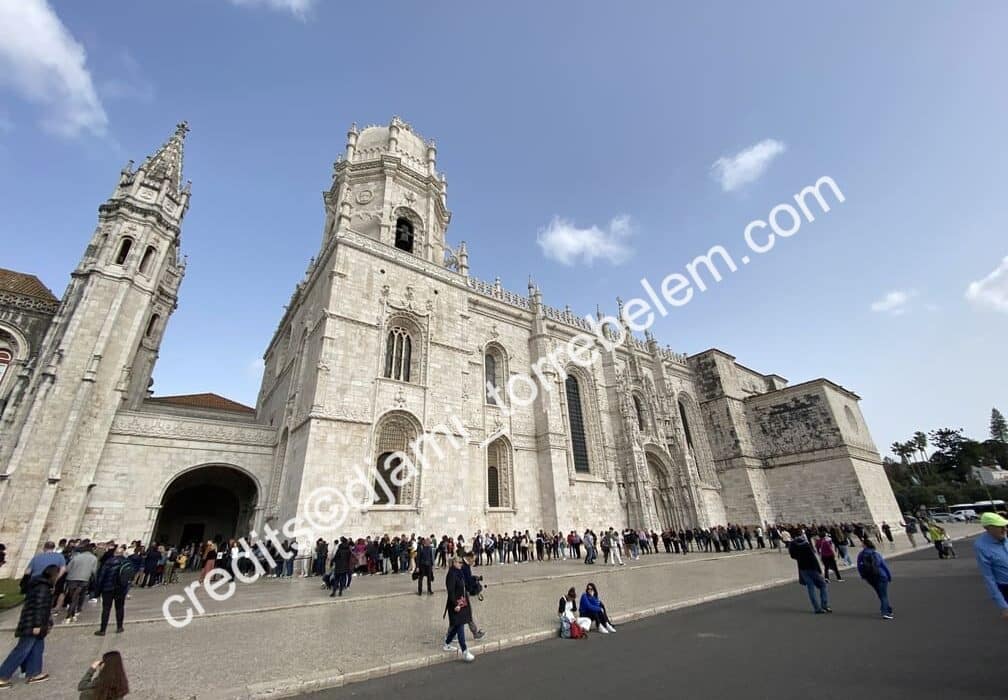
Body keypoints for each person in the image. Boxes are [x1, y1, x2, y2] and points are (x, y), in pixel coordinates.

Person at [0, 564, 59, 688]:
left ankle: (33, 673)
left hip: (35, 623)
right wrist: (37, 625)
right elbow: (39, 607)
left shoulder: (40, 586)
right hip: (32, 624)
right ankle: (3, 676)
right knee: (22, 650)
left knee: (37, 648)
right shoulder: (42, 588)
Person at [974, 511, 1008, 620]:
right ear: (988, 528)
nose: (1005, 529)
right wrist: (1003, 606)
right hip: (1005, 586)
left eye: (1005, 526)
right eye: (1000, 527)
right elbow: (988, 577)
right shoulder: (981, 546)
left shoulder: (1004, 537)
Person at [442, 557, 475, 662]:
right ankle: (465, 651)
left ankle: (447, 643)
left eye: (462, 563)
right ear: (454, 563)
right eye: (460, 563)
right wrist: (456, 604)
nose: (462, 564)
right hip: (455, 605)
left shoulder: (459, 572)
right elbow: (450, 591)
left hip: (462, 603)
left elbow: (464, 586)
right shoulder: (451, 574)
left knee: (457, 626)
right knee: (460, 626)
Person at [788, 533, 831, 614]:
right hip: (812, 568)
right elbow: (813, 558)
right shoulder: (806, 545)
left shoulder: (794, 547)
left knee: (811, 589)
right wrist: (819, 570)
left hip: (803, 569)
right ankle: (824, 605)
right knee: (823, 585)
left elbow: (793, 556)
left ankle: (817, 608)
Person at [94, 546, 132, 636]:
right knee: (120, 608)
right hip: (121, 588)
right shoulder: (127, 562)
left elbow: (101, 576)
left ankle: (103, 629)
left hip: (108, 588)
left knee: (106, 608)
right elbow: (129, 577)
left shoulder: (109, 562)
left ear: (115, 553)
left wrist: (97, 590)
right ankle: (119, 627)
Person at [856, 540, 894, 620]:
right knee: (884, 595)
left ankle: (887, 608)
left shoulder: (861, 555)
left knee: (880, 593)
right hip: (881, 575)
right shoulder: (875, 554)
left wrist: (863, 576)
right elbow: (883, 565)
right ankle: (885, 612)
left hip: (870, 577)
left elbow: (859, 567)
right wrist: (889, 575)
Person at [65, 543, 99, 623]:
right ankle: (75, 610)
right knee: (79, 595)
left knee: (73, 596)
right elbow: (94, 571)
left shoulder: (76, 557)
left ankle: (71, 613)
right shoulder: (94, 558)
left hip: (72, 578)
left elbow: (68, 568)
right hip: (84, 579)